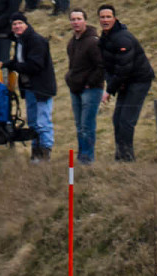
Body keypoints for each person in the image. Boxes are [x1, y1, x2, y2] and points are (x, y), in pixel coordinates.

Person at [98, 4, 153, 162]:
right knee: (117, 120)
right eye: (102, 17)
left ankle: (128, 159)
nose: (105, 20)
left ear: (114, 19)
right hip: (124, 82)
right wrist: (112, 84)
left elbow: (124, 68)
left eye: (108, 17)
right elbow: (107, 66)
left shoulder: (123, 38)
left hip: (138, 80)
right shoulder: (105, 38)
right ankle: (120, 156)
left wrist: (109, 90)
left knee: (126, 121)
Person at [5, 12, 55, 162]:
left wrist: (15, 66)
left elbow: (35, 65)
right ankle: (36, 152)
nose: (17, 26)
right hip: (29, 88)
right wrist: (11, 63)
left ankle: (45, 152)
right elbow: (21, 60)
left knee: (43, 121)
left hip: (41, 88)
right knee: (32, 122)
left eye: (20, 23)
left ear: (26, 24)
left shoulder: (35, 40)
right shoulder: (20, 42)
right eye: (14, 24)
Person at [65, 8, 102, 164]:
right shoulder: (72, 42)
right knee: (79, 126)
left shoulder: (93, 42)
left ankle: (87, 159)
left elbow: (102, 66)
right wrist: (70, 79)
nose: (76, 22)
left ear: (85, 20)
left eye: (79, 19)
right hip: (76, 89)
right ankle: (82, 157)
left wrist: (90, 83)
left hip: (91, 90)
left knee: (87, 126)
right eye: (73, 19)